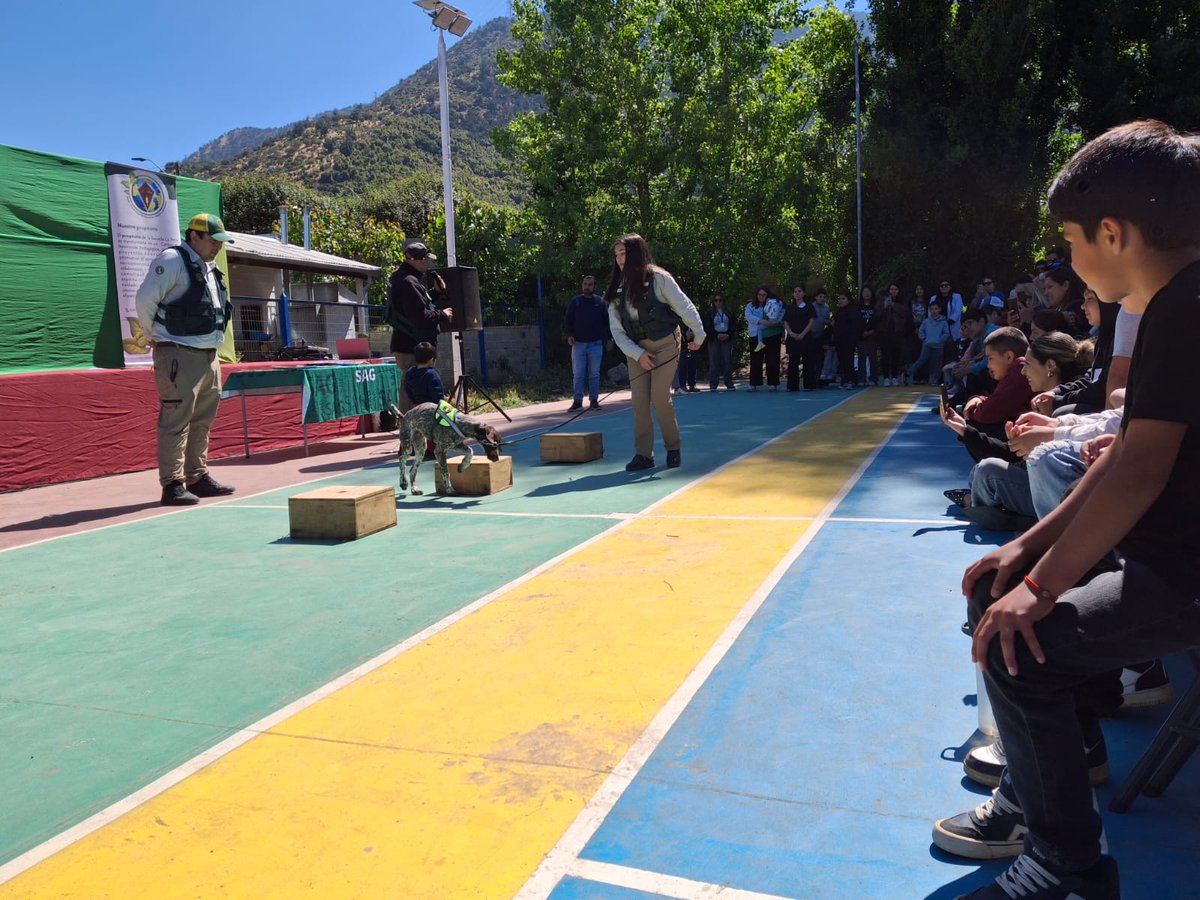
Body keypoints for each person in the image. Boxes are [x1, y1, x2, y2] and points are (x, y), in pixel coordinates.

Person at [932, 119, 1200, 900]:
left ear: (1112, 234)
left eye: (1071, 243)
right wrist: (1027, 553)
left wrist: (1043, 589)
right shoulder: (1167, 303)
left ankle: (1065, 868)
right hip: (1167, 554)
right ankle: (1043, 783)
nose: (1069, 262)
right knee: (995, 592)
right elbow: (1124, 457)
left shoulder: (1184, 308)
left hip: (1184, 572)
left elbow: (1141, 470)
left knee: (1023, 643)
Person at [135, 213, 237, 506]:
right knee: (175, 420)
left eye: (220, 242)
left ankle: (197, 476)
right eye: (213, 240)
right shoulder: (171, 260)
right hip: (179, 353)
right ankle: (173, 484)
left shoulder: (209, 267)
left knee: (202, 421)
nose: (218, 246)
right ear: (194, 236)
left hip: (208, 356)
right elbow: (144, 300)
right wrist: (152, 333)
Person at [605, 233, 705, 471]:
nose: (619, 259)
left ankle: (673, 448)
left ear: (637, 253)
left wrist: (699, 335)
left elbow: (684, 306)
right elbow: (617, 331)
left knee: (660, 398)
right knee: (639, 401)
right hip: (636, 350)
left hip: (666, 344)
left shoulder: (659, 278)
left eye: (624, 253)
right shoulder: (615, 291)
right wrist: (637, 354)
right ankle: (644, 455)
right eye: (616, 255)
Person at [386, 241, 451, 411]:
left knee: (414, 389)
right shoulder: (408, 282)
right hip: (412, 348)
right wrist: (443, 315)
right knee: (415, 391)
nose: (428, 263)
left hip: (408, 345)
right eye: (426, 259)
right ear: (417, 259)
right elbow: (420, 317)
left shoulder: (403, 279)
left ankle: (416, 430)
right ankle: (411, 432)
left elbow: (415, 307)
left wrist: (435, 293)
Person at [564, 275, 612, 410]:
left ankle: (594, 400)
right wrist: (569, 335)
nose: (587, 286)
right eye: (585, 284)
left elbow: (607, 322)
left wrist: (609, 339)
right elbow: (568, 320)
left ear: (594, 286)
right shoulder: (576, 302)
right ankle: (577, 401)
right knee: (578, 374)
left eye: (590, 284)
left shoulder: (600, 302)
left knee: (594, 374)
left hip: (596, 344)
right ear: (582, 285)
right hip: (578, 344)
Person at [783, 286, 818, 392]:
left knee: (808, 361)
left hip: (806, 337)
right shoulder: (790, 307)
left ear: (803, 293)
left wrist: (803, 334)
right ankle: (792, 386)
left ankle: (808, 385)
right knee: (793, 362)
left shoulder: (809, 306)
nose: (797, 293)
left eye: (799, 291)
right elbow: (785, 321)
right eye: (795, 292)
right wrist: (790, 333)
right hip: (792, 338)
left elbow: (811, 321)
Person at [906, 300, 949, 385]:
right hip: (927, 345)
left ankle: (935, 379)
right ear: (929, 310)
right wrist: (925, 339)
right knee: (921, 361)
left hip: (938, 346)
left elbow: (946, 333)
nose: (934, 311)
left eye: (936, 309)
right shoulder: (926, 321)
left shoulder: (943, 322)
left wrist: (940, 340)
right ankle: (908, 374)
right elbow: (921, 332)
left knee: (937, 363)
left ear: (939, 309)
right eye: (932, 309)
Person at [703, 294, 736, 390]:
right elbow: (707, 327)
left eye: (720, 300)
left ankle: (729, 383)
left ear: (723, 301)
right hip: (714, 339)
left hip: (726, 338)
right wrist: (716, 335)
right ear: (713, 302)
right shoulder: (709, 313)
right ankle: (713, 384)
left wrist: (728, 334)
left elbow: (733, 325)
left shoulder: (729, 312)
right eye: (716, 300)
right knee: (714, 362)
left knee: (727, 361)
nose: (718, 302)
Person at [403, 341, 446, 407]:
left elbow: (408, 391)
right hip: (432, 409)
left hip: (417, 407)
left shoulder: (410, 373)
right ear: (431, 359)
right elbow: (438, 397)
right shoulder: (432, 374)